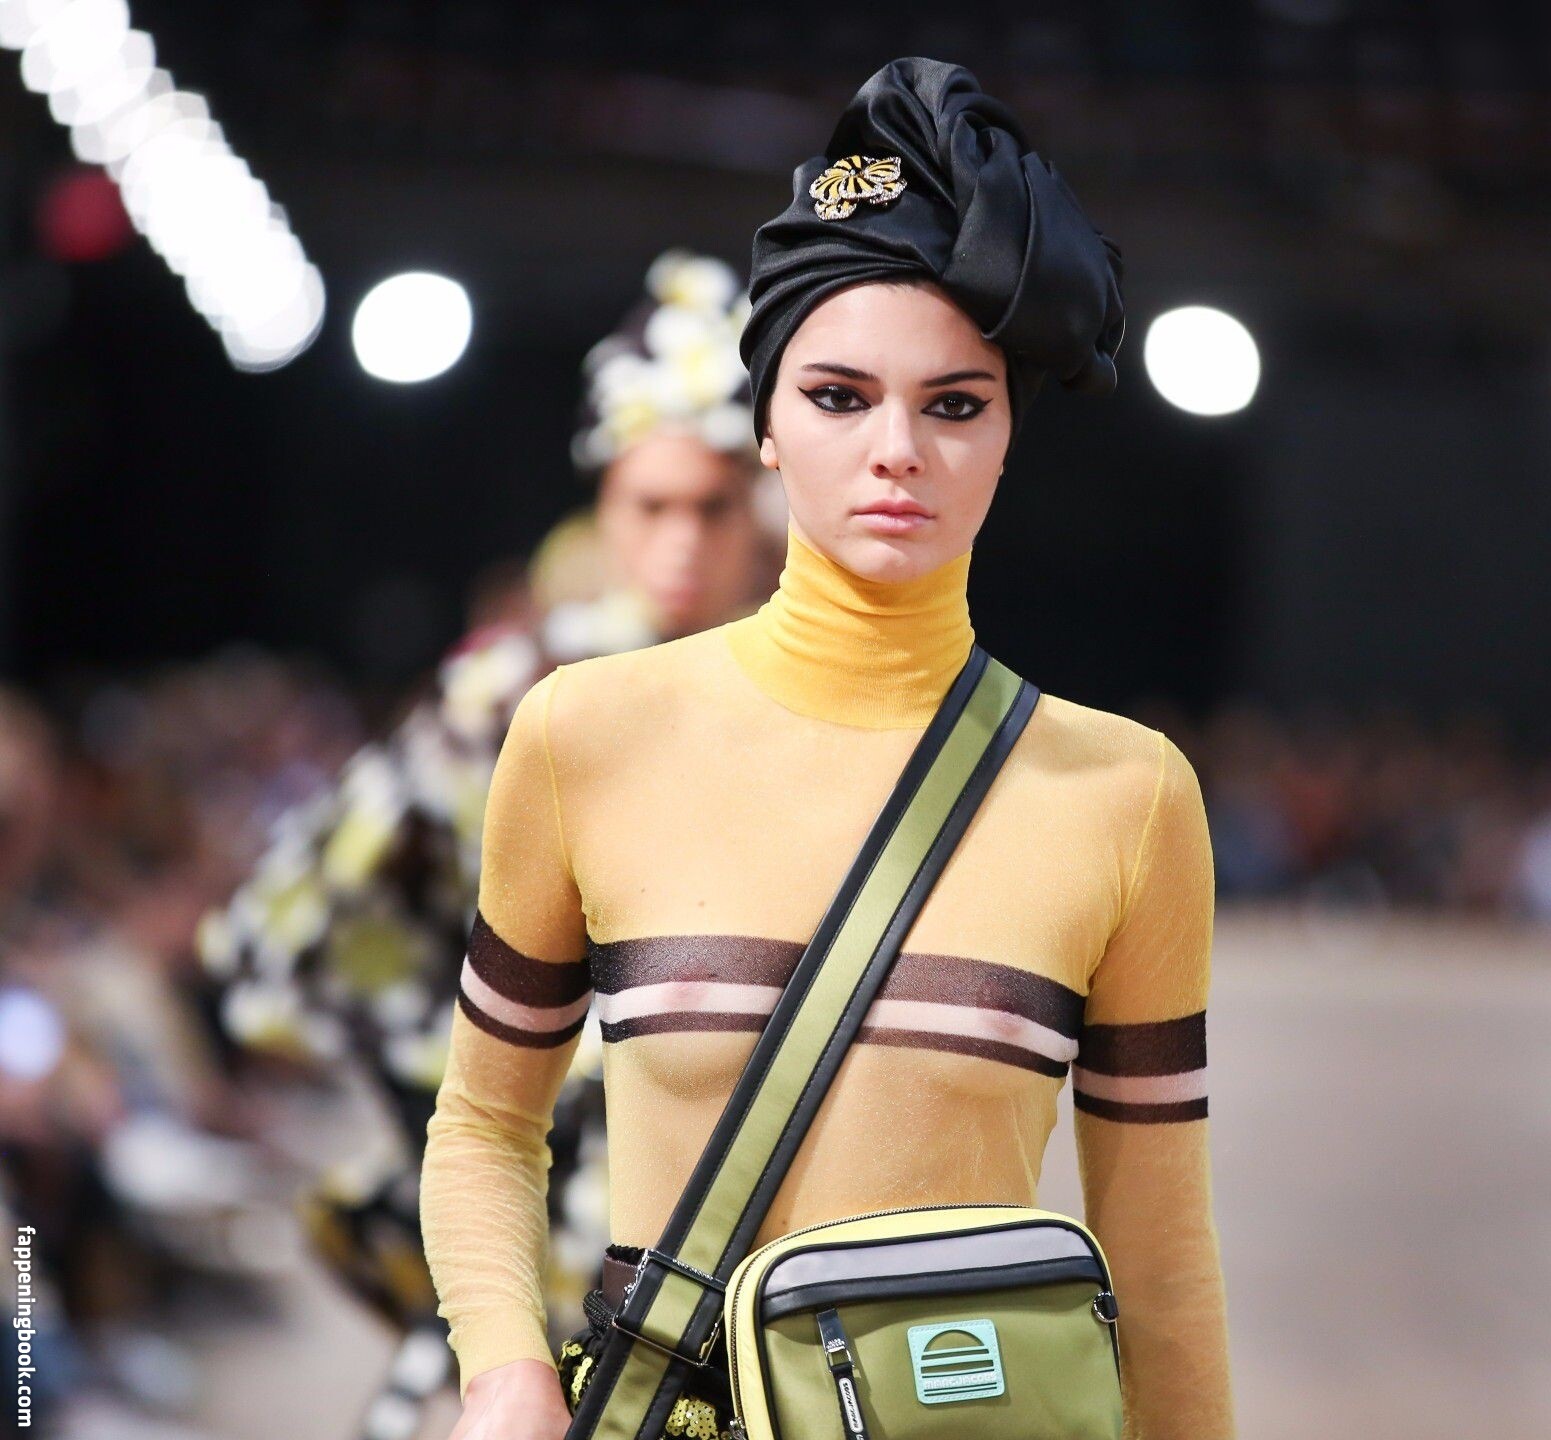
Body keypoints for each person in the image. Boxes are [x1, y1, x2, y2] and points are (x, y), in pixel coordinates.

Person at [422, 58, 1234, 1440]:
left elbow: (1158, 1259)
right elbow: (486, 1126)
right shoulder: (585, 736)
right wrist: (504, 1370)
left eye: (956, 402)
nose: (897, 449)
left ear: (1010, 435)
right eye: (840, 395)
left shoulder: (1128, 797)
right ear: (764, 424)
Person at [199, 251, 781, 1439]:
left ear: (762, 510)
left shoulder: (814, 700)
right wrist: (485, 1069)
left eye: (712, 508)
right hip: (571, 1214)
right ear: (602, 504)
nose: (680, 541)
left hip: (765, 1197)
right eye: (651, 506)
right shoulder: (519, 693)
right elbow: (284, 933)